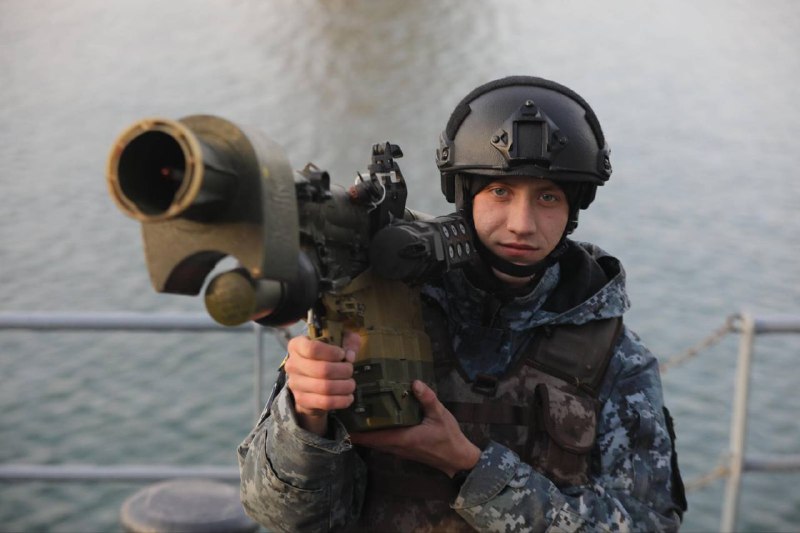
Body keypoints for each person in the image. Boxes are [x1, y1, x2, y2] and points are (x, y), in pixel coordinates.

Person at [237, 75, 687, 532]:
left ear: (574, 209)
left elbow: (649, 525)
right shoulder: (378, 307)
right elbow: (279, 515)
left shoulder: (615, 360)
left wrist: (466, 465)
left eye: (548, 197)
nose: (522, 224)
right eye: (500, 192)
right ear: (465, 196)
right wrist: (307, 419)